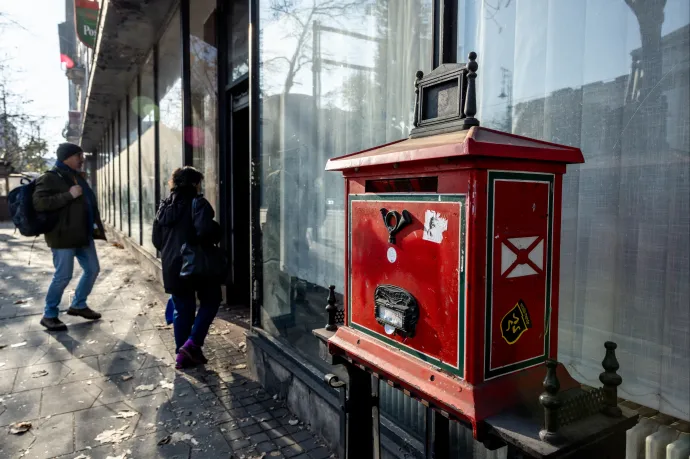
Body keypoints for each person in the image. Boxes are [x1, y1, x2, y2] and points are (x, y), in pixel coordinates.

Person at [153, 166, 222, 369]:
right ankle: (192, 344)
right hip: (197, 265)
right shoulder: (197, 203)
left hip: (172, 267)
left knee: (182, 309)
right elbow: (207, 233)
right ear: (194, 183)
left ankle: (182, 355)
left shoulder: (163, 207)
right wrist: (216, 229)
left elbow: (157, 240)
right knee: (212, 300)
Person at [33, 142, 106, 331]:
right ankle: (49, 315)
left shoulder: (76, 176)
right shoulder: (49, 177)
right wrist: (68, 195)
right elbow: (40, 203)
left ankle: (78, 304)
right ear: (67, 157)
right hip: (62, 237)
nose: (82, 159)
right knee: (63, 276)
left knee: (92, 269)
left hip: (83, 235)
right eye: (78, 156)